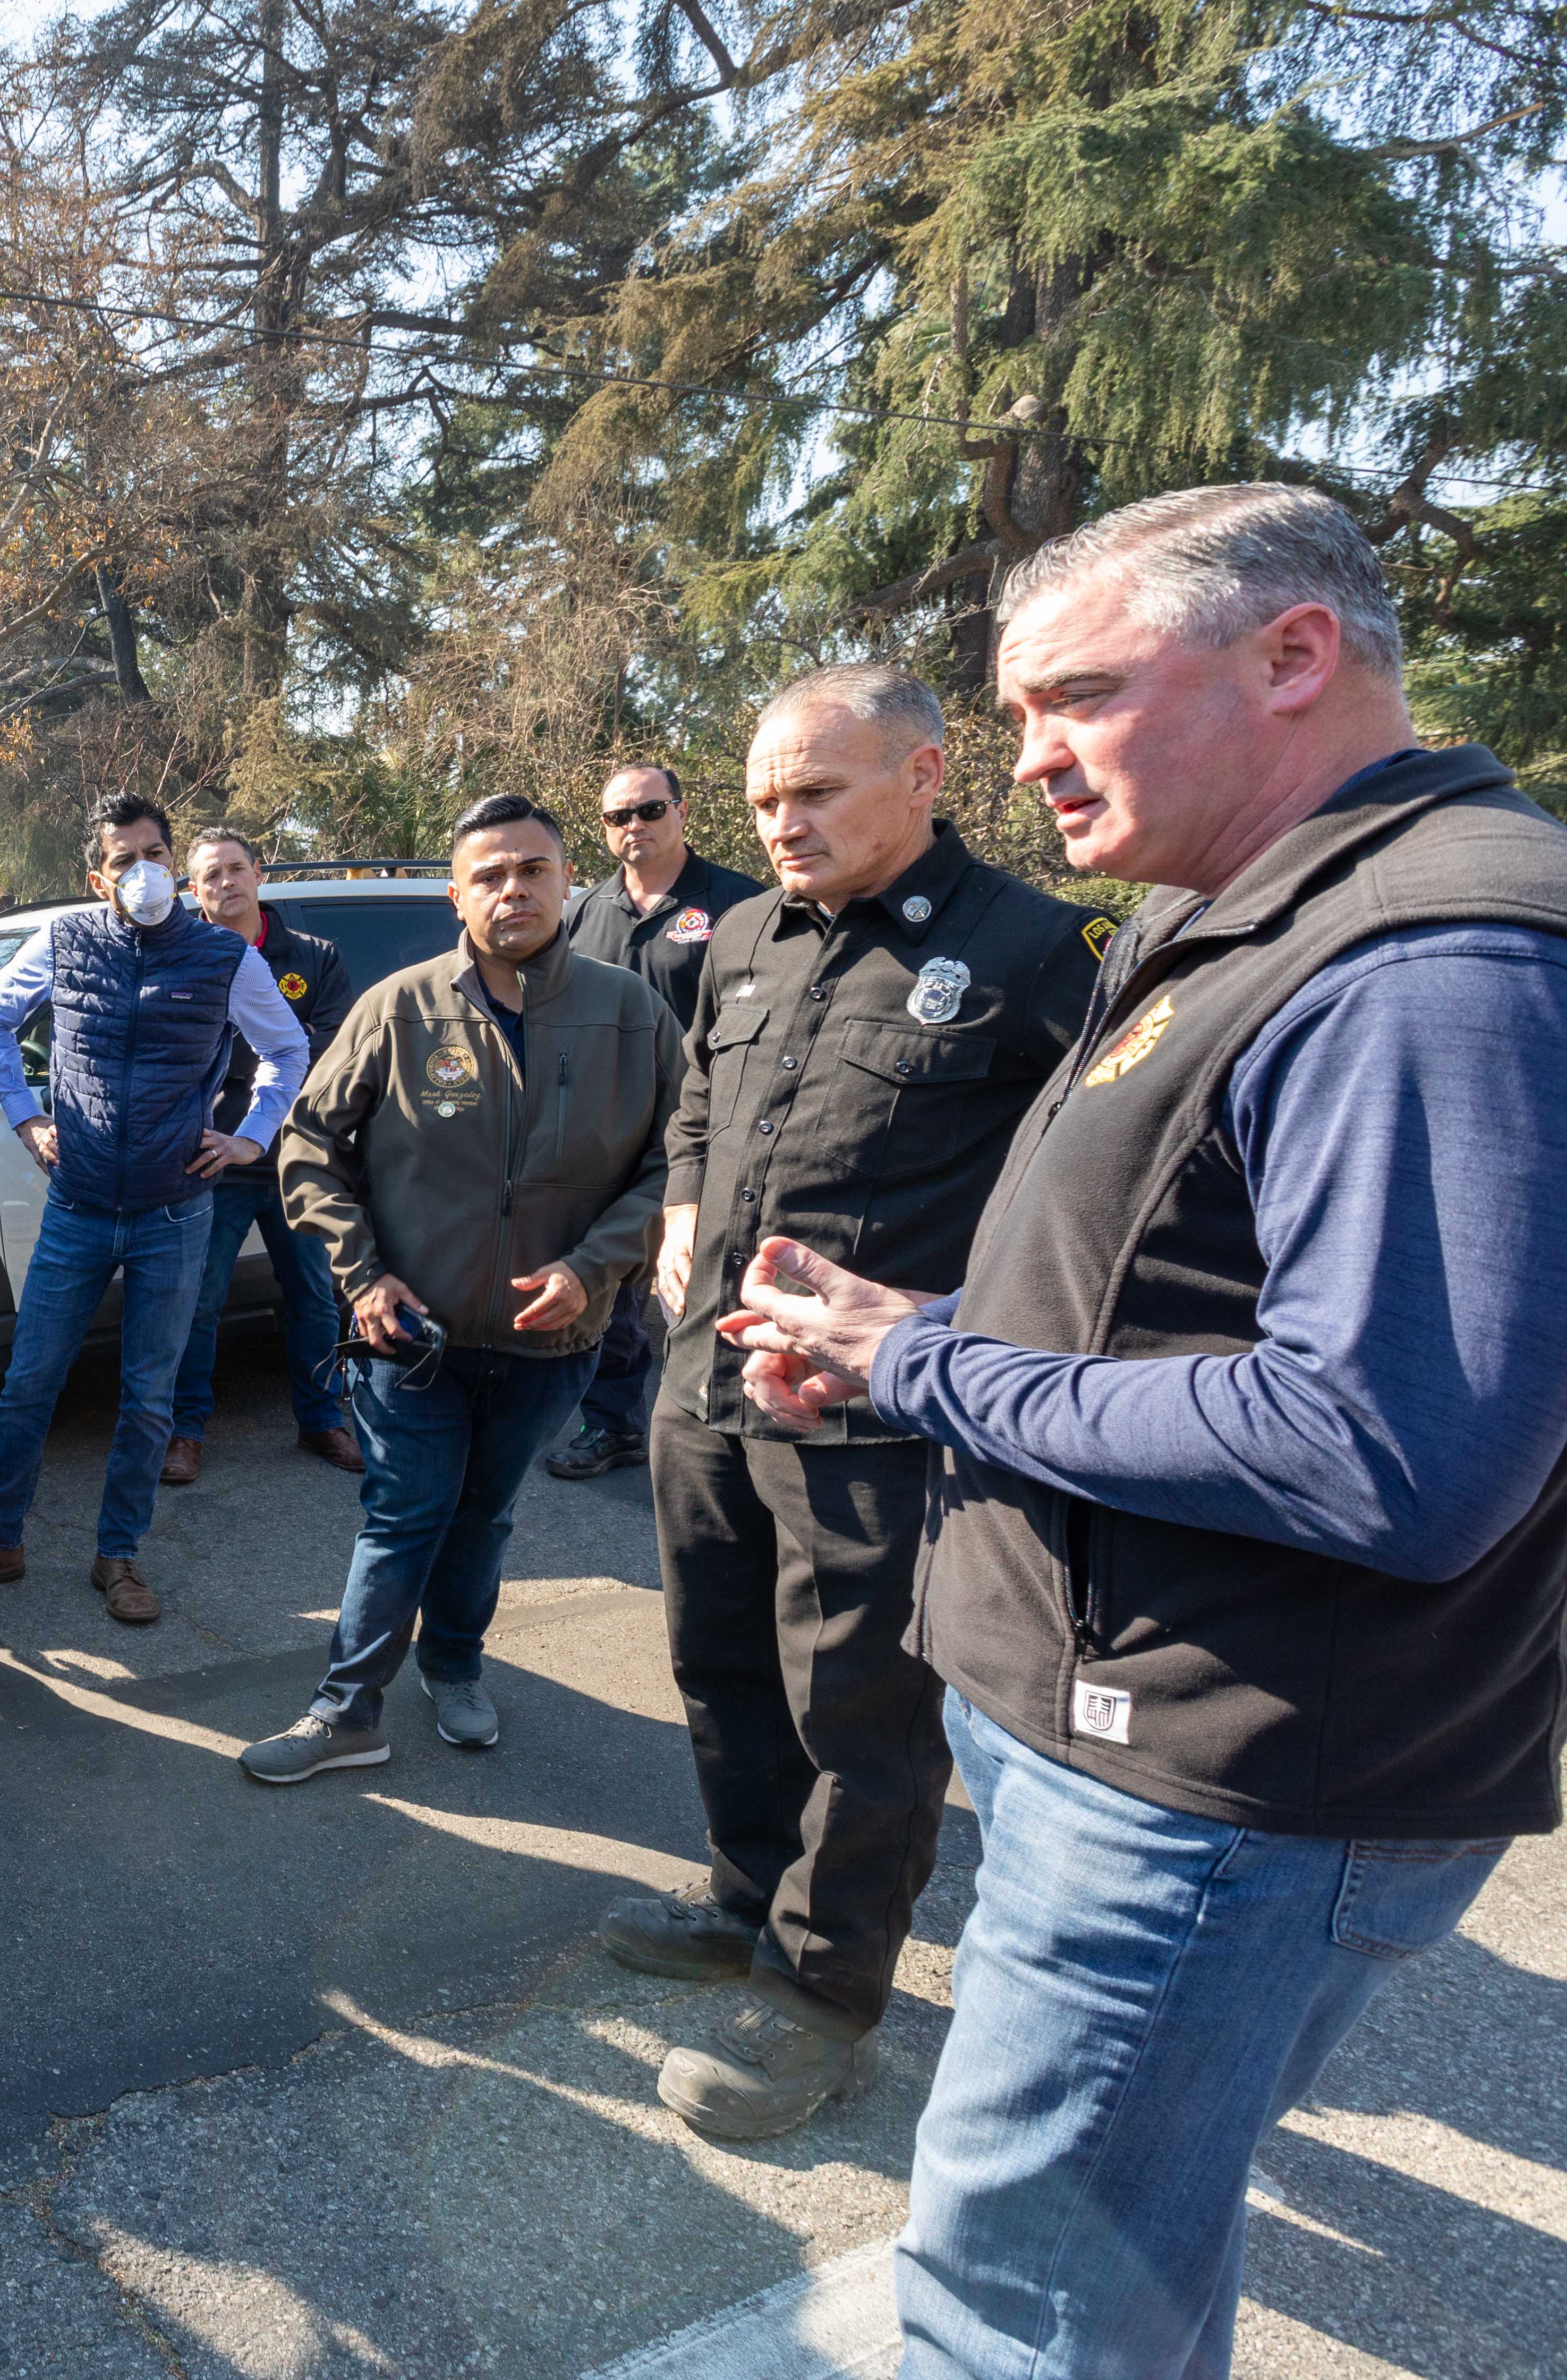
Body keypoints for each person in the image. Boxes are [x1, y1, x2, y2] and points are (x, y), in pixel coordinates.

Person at [716, 486, 1567, 2376]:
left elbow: (1384, 1446)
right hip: (1112, 1739)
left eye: (1073, 698)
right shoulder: (1238, 908)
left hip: (1208, 1792)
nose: (1019, 763)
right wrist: (903, 1335)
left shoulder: (1426, 954)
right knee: (1106, 2283)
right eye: (1012, 715)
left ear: (1289, 657)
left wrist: (931, 1374)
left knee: (1011, 2313)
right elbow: (1170, 1302)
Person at [593, 666, 1102, 2142]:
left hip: (869, 1416)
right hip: (706, 1380)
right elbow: (697, 1094)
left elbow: (1102, 1184)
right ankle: (749, 1897)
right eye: (763, 799)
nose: (784, 822)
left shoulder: (1037, 949)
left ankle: (820, 1993)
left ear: (928, 774)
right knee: (720, 1663)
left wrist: (981, 1335)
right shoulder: (745, 932)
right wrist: (684, 1200)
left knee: (862, 1710)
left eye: (816, 791)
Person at [248, 794, 679, 1780]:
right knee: (404, 1514)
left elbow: (680, 1160)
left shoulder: (630, 1013)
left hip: (551, 1341)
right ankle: (347, 1708)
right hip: (412, 1333)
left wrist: (592, 1266)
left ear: (570, 883)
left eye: (534, 870)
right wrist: (362, 1277)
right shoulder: (400, 1007)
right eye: (491, 874)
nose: (513, 889)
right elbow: (309, 1150)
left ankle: (454, 1663)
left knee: (485, 1515)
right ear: (457, 896)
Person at [0, 792, 309, 1624]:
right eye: (123, 859)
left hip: (175, 1212)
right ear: (99, 875)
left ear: (176, 865)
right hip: (80, 1206)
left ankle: (119, 1557)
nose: (141, 872)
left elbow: (287, 1049)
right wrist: (26, 1116)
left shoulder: (224, 958)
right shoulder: (64, 941)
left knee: (148, 1397)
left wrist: (251, 1138)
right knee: (27, 1386)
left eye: (154, 855)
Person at [547, 763, 763, 1482]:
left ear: (681, 810)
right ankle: (612, 1423)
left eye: (648, 809)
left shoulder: (738, 906)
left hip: (705, 1130)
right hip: (601, 1130)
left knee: (698, 1278)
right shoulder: (586, 911)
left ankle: (722, 1421)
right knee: (613, 1281)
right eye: (617, 817)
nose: (633, 826)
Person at [162, 827, 359, 1486]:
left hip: (298, 1159)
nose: (226, 883)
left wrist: (251, 1058)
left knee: (313, 1299)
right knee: (199, 1303)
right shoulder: (182, 955)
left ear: (259, 875)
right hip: (213, 1161)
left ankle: (321, 1420)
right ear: (195, 890)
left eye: (236, 869)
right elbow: (180, 1047)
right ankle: (185, 1431)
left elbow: (329, 1050)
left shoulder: (315, 955)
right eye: (211, 875)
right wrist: (274, 1046)